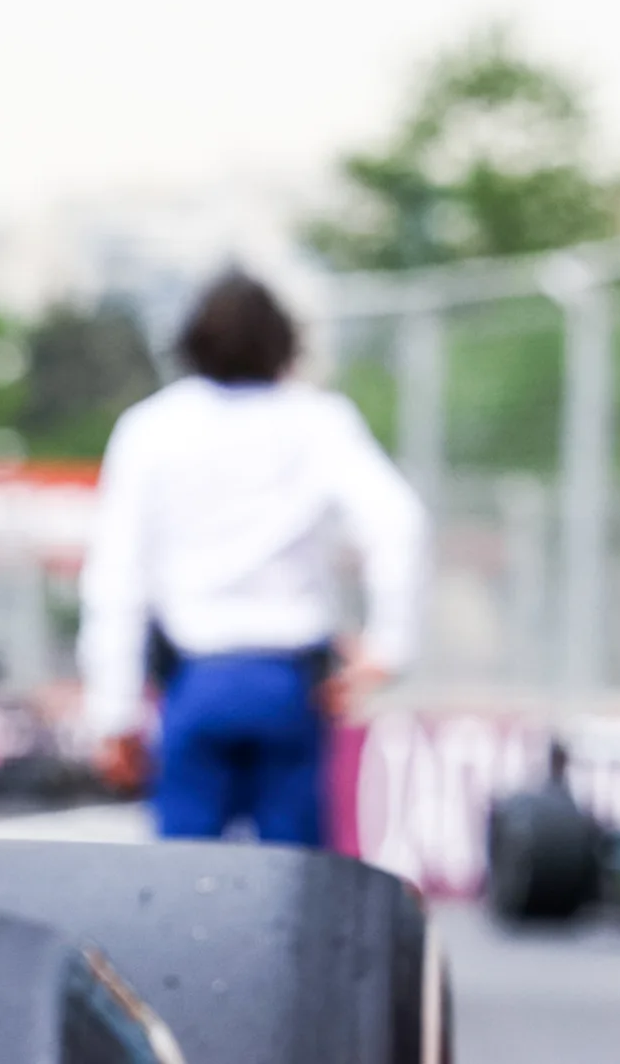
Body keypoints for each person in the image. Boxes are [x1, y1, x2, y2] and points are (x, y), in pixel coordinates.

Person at [77, 272, 424, 846]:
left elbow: (117, 578)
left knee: (182, 887)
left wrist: (114, 714)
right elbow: (399, 522)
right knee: (298, 890)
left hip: (197, 681)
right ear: (285, 342)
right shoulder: (318, 421)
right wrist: (390, 646)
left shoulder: (151, 429)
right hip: (289, 686)